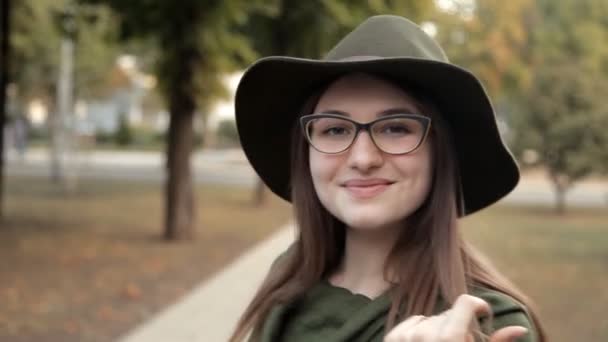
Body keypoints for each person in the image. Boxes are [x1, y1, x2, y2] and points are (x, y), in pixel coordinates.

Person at [230, 15, 546, 342]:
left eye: (396, 128)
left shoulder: (482, 324)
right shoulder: (288, 283)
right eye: (335, 129)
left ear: (440, 153)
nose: (363, 159)